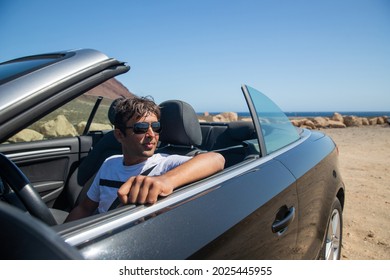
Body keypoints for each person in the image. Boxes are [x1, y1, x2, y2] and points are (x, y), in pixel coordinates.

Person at [65, 96, 225, 222]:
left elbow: (216, 159)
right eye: (141, 128)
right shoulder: (110, 163)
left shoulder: (166, 164)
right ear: (119, 135)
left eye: (156, 127)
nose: (151, 135)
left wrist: (166, 180)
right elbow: (85, 208)